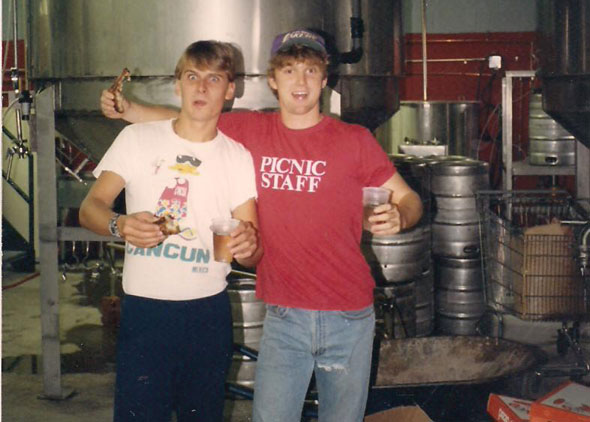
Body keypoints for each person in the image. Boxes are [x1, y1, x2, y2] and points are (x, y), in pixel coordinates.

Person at [100, 29, 423, 422]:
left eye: (310, 70)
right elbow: (191, 117)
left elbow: (409, 199)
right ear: (272, 80)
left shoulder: (354, 140)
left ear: (325, 79)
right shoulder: (251, 132)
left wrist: (402, 215)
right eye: (288, 70)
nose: (300, 81)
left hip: (349, 316)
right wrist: (130, 110)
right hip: (284, 318)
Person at [81, 40, 262, 422]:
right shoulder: (137, 139)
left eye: (214, 79)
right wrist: (120, 224)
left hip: (208, 313)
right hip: (145, 312)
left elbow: (252, 252)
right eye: (192, 77)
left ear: (230, 90)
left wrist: (248, 244)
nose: (202, 87)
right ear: (177, 85)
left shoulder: (237, 157)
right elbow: (90, 208)